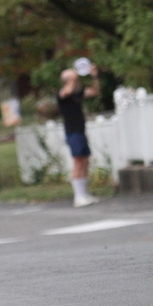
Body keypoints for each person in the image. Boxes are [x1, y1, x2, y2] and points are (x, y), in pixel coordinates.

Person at [57, 58, 100, 208]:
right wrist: (74, 75)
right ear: (67, 80)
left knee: (85, 160)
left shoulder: (77, 94)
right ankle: (78, 196)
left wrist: (94, 75)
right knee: (78, 162)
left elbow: (94, 91)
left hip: (80, 131)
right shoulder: (63, 95)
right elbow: (67, 90)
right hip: (72, 132)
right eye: (72, 78)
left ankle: (84, 193)